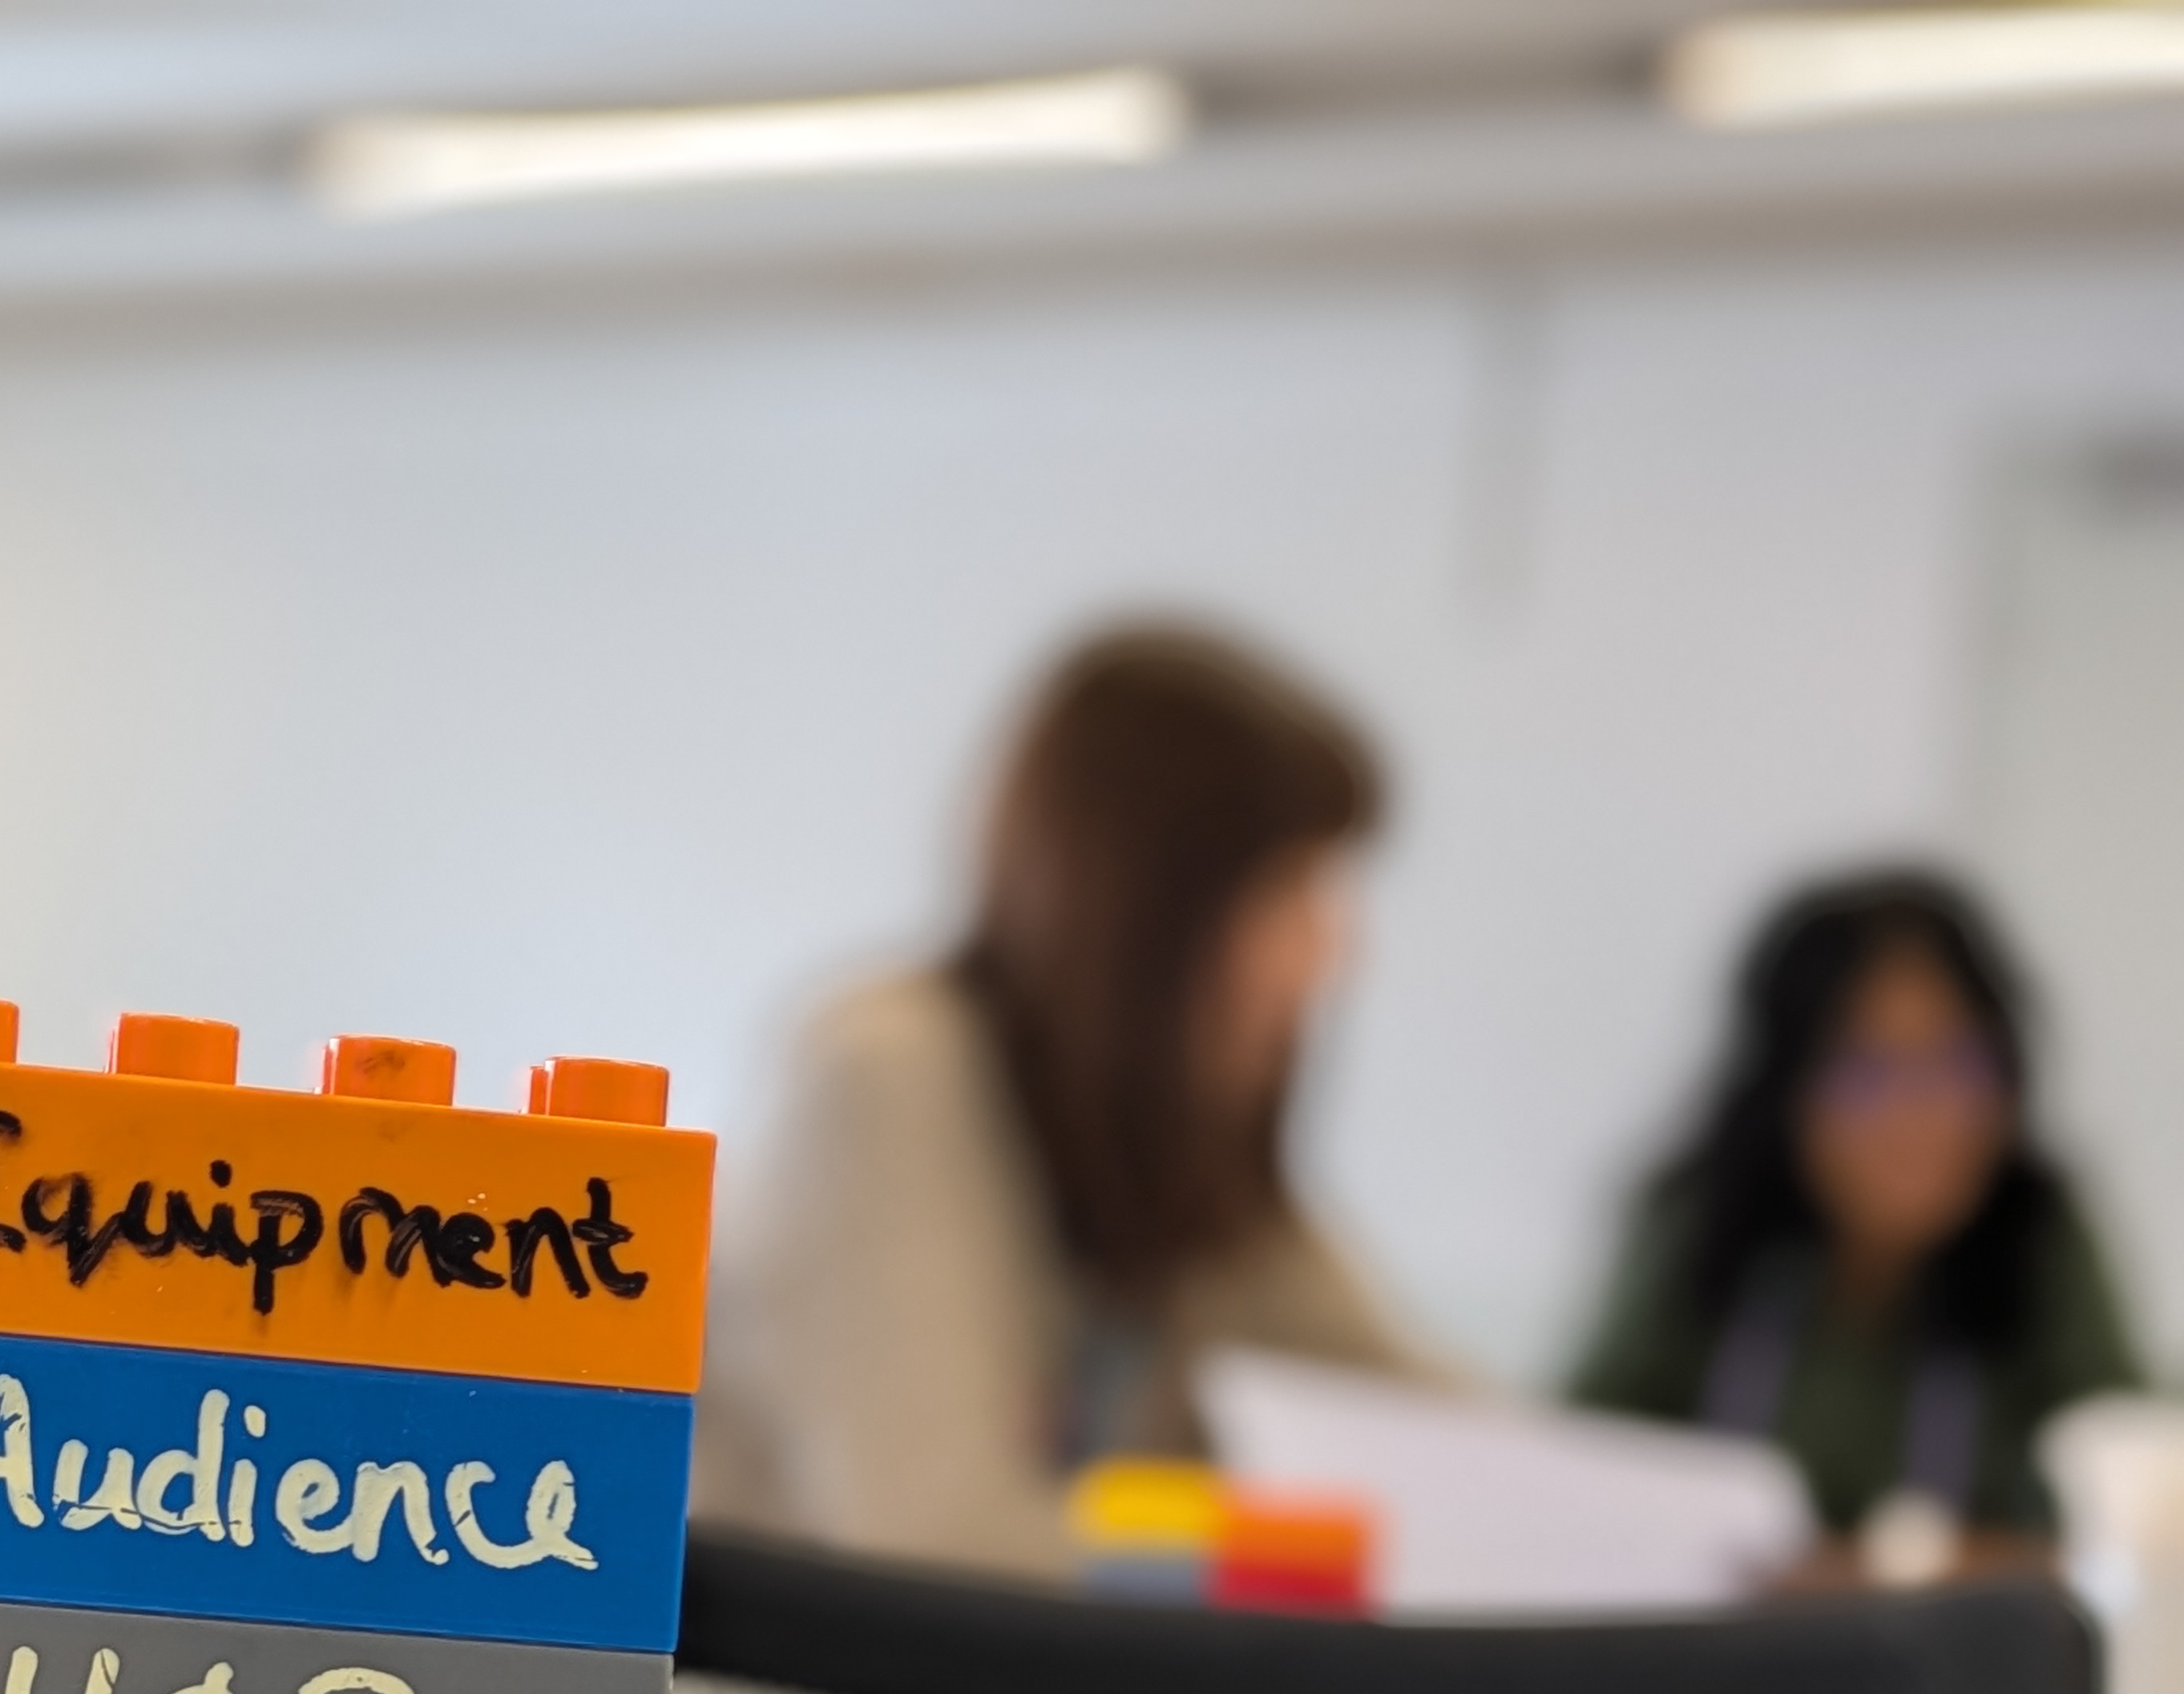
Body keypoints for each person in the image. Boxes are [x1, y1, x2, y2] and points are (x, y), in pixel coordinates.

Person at [692, 625, 1436, 1577]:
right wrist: (1294, 1555)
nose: (1332, 953)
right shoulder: (886, 1073)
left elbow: (1437, 1431)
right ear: (1158, 904)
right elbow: (939, 1544)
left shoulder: (1174, 1160)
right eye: (1289, 890)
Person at [1572, 869, 2144, 1550]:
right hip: (1724, 1646)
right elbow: (1583, 1477)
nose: (1920, 1115)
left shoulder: (2040, 1231)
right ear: (1784, 1087)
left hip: (1965, 1646)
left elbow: (2131, 1501)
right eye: (1867, 1073)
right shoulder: (1700, 1221)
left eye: (1960, 1064)